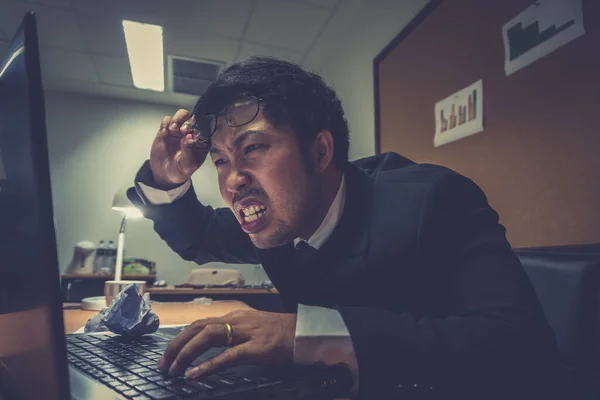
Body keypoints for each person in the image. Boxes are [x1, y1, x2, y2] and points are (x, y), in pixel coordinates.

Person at [130, 57, 560, 399]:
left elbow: (519, 347)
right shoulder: (276, 219)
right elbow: (199, 235)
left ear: (320, 151)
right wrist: (167, 179)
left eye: (253, 148)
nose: (231, 180)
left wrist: (304, 334)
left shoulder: (432, 200)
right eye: (222, 160)